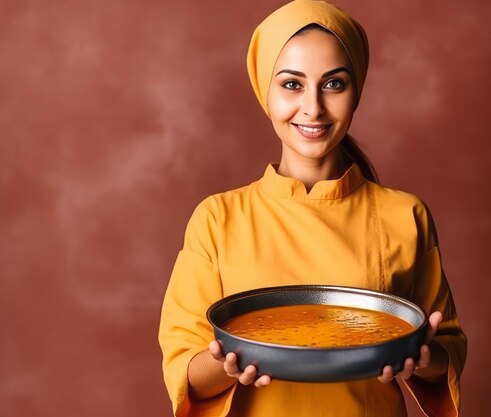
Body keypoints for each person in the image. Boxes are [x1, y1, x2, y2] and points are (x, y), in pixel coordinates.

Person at [158, 1, 467, 416]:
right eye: (291, 84)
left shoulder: (405, 215)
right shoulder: (217, 219)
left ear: (356, 90)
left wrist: (425, 357)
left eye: (334, 84)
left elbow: (448, 348)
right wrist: (227, 361)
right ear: (263, 91)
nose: (313, 108)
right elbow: (184, 368)